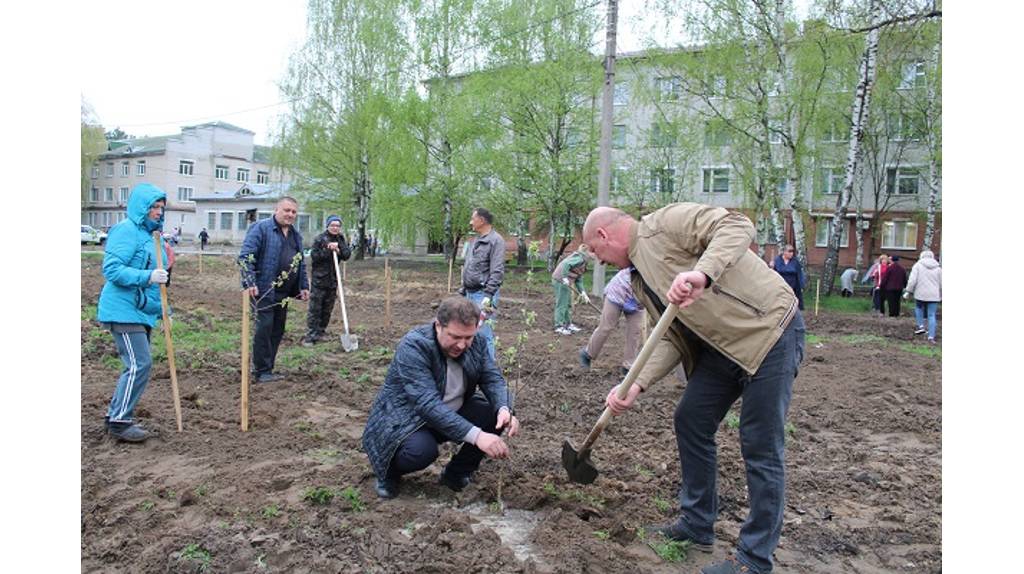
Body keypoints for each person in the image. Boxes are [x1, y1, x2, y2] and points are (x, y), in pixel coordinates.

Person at [583, 204, 804, 574]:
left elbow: (737, 225)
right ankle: (697, 523)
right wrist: (636, 382)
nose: (597, 259)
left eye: (594, 250)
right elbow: (668, 336)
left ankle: (754, 560)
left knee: (760, 444)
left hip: (769, 332)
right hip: (722, 348)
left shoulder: (665, 225)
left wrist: (702, 273)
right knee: (691, 419)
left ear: (604, 235)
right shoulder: (639, 278)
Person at [362, 296, 521, 499]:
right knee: (421, 452)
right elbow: (426, 404)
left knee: (494, 414)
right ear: (438, 326)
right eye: (455, 337)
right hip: (407, 420)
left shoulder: (477, 343)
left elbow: (492, 378)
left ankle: (456, 474)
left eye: (468, 337)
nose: (462, 345)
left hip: (451, 411)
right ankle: (389, 473)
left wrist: (504, 409)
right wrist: (478, 436)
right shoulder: (414, 346)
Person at [96, 183, 173, 443]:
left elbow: (157, 285)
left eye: (161, 207)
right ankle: (119, 422)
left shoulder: (155, 238)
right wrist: (147, 275)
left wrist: (164, 310)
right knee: (140, 364)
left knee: (137, 364)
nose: (158, 212)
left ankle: (114, 415)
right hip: (122, 309)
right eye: (153, 206)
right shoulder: (126, 231)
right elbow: (112, 270)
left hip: (141, 311)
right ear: (142, 207)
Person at [238, 197, 309, 383]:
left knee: (277, 329)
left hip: (283, 293)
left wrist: (303, 286)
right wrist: (249, 281)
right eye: (286, 210)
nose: (290, 214)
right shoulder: (261, 229)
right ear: (276, 209)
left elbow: (300, 264)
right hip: (263, 290)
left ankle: (268, 368)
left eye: (294, 212)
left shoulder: (295, 235)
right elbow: (246, 257)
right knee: (264, 327)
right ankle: (261, 371)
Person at [459, 207, 506, 361]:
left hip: (483, 295)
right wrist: (463, 288)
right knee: (468, 332)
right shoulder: (477, 240)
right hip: (470, 293)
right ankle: (473, 368)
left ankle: (488, 375)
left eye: (473, 218)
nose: (470, 222)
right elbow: (470, 266)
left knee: (484, 335)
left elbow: (497, 270)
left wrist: (488, 295)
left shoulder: (496, 241)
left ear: (482, 220)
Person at [579, 266, 642, 377]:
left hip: (638, 301)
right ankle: (587, 354)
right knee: (606, 327)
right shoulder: (643, 260)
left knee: (635, 333)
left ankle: (628, 367)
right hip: (619, 291)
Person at [303, 215, 352, 346]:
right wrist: (328, 250)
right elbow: (315, 257)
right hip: (319, 280)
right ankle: (311, 335)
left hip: (333, 279)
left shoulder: (340, 239)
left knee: (327, 308)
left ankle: (321, 332)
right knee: (316, 308)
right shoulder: (320, 239)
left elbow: (347, 255)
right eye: (333, 225)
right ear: (328, 226)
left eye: (337, 225)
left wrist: (339, 250)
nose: (335, 228)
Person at [551, 244, 592, 335]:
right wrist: (564, 277)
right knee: (562, 303)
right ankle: (559, 326)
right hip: (560, 280)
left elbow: (579, 279)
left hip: (567, 281)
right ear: (587, 253)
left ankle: (567, 324)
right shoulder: (580, 258)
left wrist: (583, 293)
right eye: (593, 253)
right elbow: (566, 264)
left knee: (568, 303)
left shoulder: (584, 261)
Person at [904, 250, 941, 343]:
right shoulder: (938, 268)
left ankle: (921, 326)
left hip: (920, 294)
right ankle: (931, 336)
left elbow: (912, 280)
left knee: (918, 308)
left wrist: (908, 291)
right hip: (934, 295)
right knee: (932, 315)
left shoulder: (917, 266)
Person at [771, 244, 806, 310]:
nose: (791, 253)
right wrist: (771, 266)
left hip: (792, 286)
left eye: (792, 251)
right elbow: (772, 273)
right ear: (784, 252)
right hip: (780, 286)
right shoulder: (777, 260)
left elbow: (800, 274)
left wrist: (801, 285)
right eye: (789, 251)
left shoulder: (795, 261)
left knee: (791, 303)